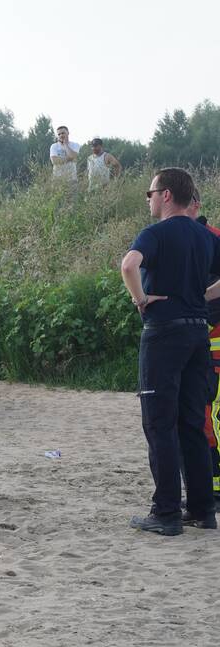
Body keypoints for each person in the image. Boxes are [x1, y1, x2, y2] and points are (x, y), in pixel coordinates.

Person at [122, 168, 220, 534]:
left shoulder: (155, 233)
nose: (147, 199)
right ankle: (202, 510)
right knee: (192, 423)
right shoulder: (203, 234)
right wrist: (204, 295)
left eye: (149, 193)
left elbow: (129, 265)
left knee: (159, 424)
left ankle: (165, 513)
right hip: (199, 334)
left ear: (165, 195)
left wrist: (141, 299)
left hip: (164, 332)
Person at [190, 191, 220, 501]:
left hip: (211, 338)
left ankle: (214, 488)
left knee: (208, 413)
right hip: (201, 336)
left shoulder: (209, 238)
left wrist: (200, 296)